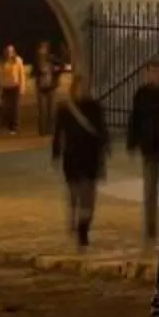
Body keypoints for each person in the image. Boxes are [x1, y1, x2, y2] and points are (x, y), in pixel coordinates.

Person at [51, 83, 108, 248]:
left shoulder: (94, 108)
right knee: (74, 194)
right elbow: (58, 133)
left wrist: (105, 149)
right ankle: (75, 221)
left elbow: (102, 130)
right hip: (73, 157)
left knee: (88, 196)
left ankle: (83, 227)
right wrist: (56, 154)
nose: (84, 91)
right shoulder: (65, 109)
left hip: (90, 157)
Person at [126, 58, 159, 242]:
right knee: (150, 190)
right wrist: (132, 141)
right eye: (152, 72)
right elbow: (135, 119)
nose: (156, 75)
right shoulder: (141, 94)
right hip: (149, 148)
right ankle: (151, 228)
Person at [0, 43, 29, 134]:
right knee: (7, 107)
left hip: (15, 87)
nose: (9, 53)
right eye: (7, 51)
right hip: (5, 87)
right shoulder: (2, 61)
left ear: (13, 52)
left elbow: (22, 74)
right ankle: (7, 125)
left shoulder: (18, 60)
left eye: (10, 51)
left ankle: (15, 127)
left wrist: (22, 87)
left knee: (15, 108)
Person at [31, 41, 63, 135]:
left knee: (51, 110)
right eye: (40, 48)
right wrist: (39, 72)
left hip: (51, 87)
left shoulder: (52, 59)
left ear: (47, 49)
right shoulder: (36, 61)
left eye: (44, 48)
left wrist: (55, 70)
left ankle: (51, 130)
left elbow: (61, 66)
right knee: (42, 110)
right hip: (41, 88)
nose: (42, 50)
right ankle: (42, 131)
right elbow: (33, 73)